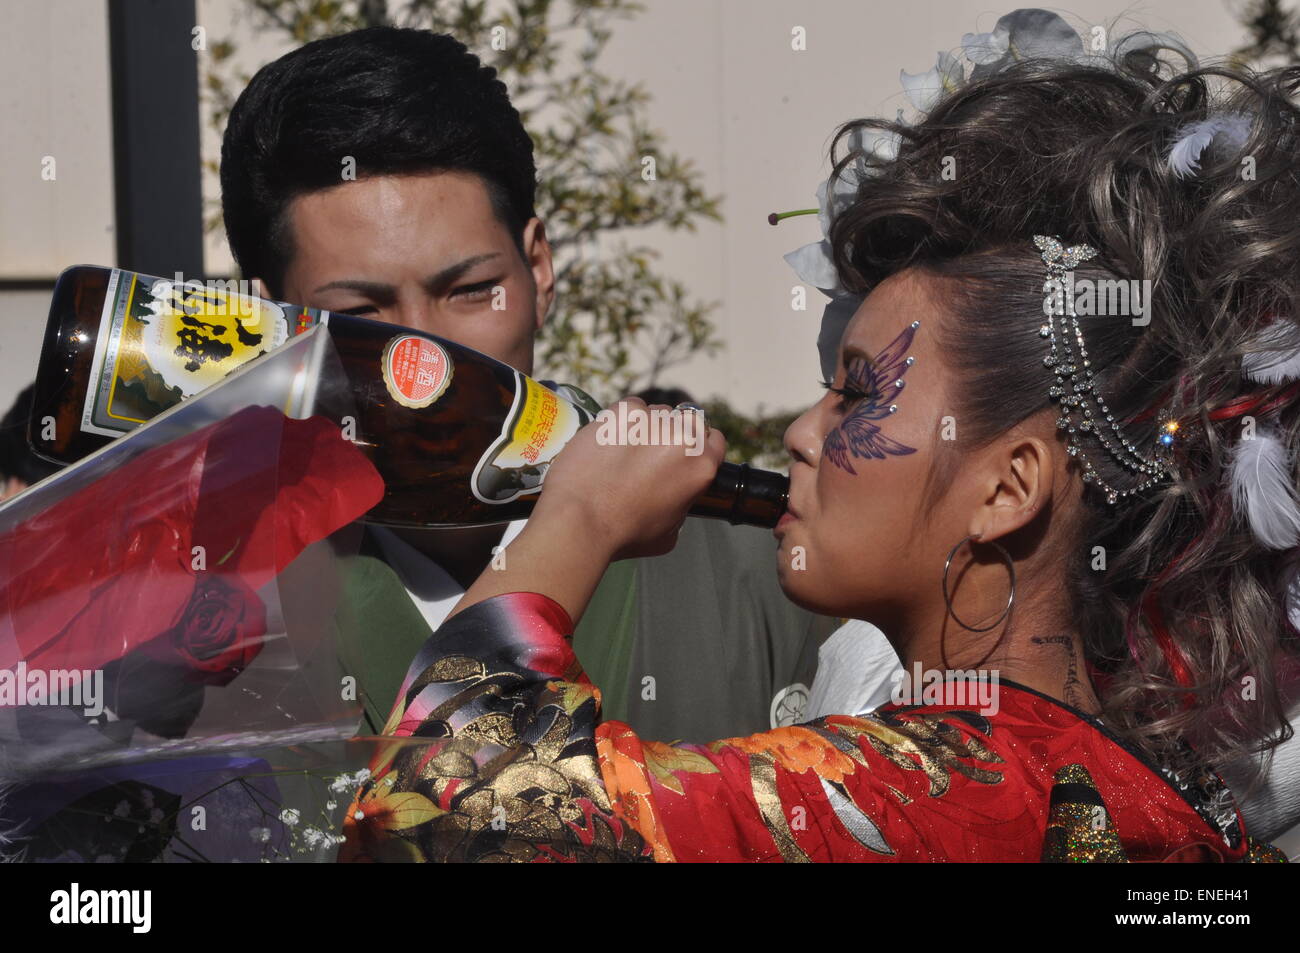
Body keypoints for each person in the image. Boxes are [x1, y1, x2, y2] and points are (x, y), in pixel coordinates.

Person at [338, 32, 1300, 861]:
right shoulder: (1157, 793)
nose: (802, 431)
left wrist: (577, 516)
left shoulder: (927, 794)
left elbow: (451, 811)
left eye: (855, 392)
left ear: (1009, 487)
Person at [219, 27, 833, 743]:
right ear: (272, 326)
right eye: (360, 315)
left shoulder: (755, 567)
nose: (427, 366)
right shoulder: (215, 612)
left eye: (473, 291)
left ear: (538, 269)